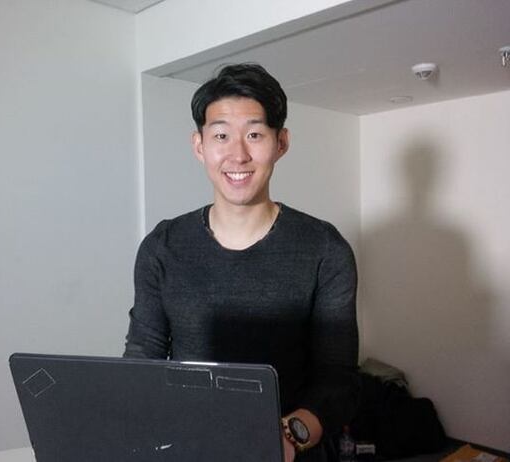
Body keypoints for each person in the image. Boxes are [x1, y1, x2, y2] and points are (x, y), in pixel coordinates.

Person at [124, 63, 359, 462]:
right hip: (188, 447)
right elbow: (143, 355)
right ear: (199, 145)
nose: (238, 154)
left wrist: (288, 435)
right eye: (221, 135)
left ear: (281, 143)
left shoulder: (325, 248)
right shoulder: (162, 246)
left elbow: (338, 380)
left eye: (254, 134)